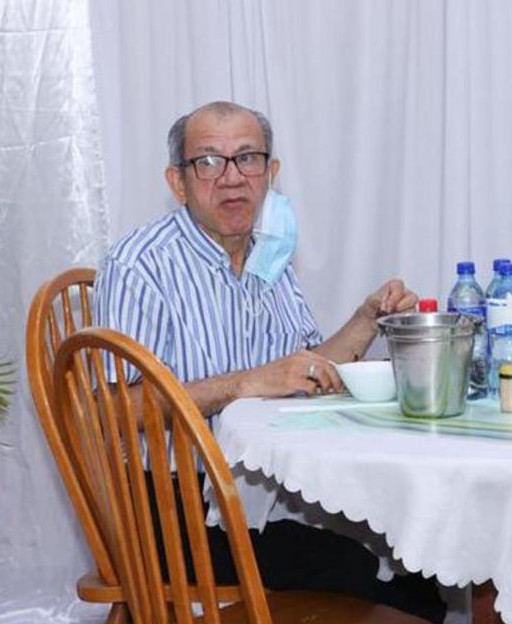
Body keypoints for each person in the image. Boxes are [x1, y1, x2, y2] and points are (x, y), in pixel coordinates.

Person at [93, 101, 444, 622]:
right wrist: (246, 384)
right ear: (178, 181)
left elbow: (304, 370)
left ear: (271, 172)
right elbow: (112, 410)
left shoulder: (267, 254)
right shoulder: (140, 265)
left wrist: (366, 318)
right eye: (208, 162)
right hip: (172, 513)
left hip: (258, 492)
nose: (232, 179)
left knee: (418, 553)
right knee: (369, 571)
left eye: (248, 158)